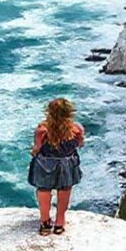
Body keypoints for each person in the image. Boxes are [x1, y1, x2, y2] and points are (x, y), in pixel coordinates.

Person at [27, 97, 84, 235]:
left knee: (44, 190)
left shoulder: (42, 130)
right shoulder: (76, 129)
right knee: (64, 190)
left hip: (46, 164)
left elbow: (37, 148)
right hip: (66, 164)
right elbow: (80, 144)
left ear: (49, 112)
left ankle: (45, 223)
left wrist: (33, 152)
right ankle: (59, 223)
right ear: (69, 112)